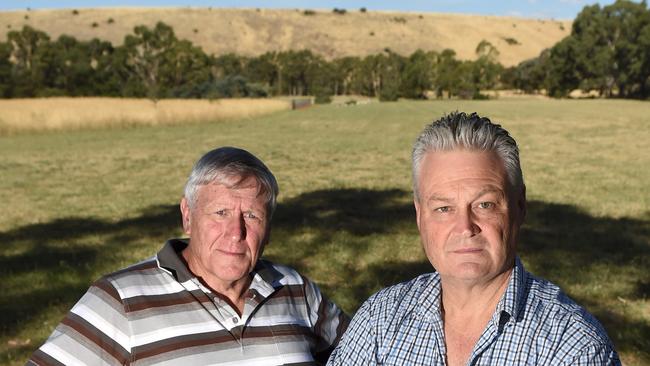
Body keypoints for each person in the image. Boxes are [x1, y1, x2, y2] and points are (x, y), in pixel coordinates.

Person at [328, 112, 620, 365]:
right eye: (444, 208)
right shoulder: (379, 320)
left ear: (520, 207)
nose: (465, 227)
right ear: (419, 216)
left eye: (485, 205)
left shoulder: (572, 347)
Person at [29, 146, 349, 365]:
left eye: (251, 216)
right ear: (187, 215)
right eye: (220, 212)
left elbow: (366, 352)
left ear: (269, 226)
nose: (235, 232)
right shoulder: (121, 300)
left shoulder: (295, 289)